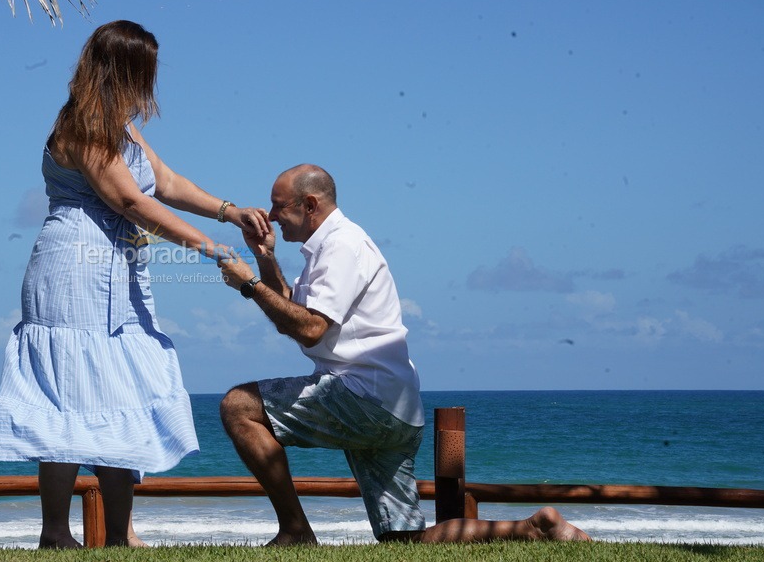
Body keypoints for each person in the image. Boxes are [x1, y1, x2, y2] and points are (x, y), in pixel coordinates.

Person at [0, 20, 269, 548]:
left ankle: (120, 535)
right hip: (72, 268)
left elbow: (165, 183)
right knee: (67, 392)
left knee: (121, 389)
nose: (152, 83)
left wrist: (229, 211)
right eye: (146, 71)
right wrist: (207, 247)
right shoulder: (83, 124)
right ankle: (56, 534)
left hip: (120, 272)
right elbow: (131, 201)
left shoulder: (122, 128)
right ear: (125, 69)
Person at [215, 164, 590, 545]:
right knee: (405, 541)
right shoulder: (329, 248)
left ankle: (295, 531)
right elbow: (294, 312)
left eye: (279, 206)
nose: (272, 216)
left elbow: (310, 329)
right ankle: (533, 529)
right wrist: (264, 258)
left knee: (238, 406)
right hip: (397, 407)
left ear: (310, 205)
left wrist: (249, 285)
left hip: (364, 398)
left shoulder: (343, 245)